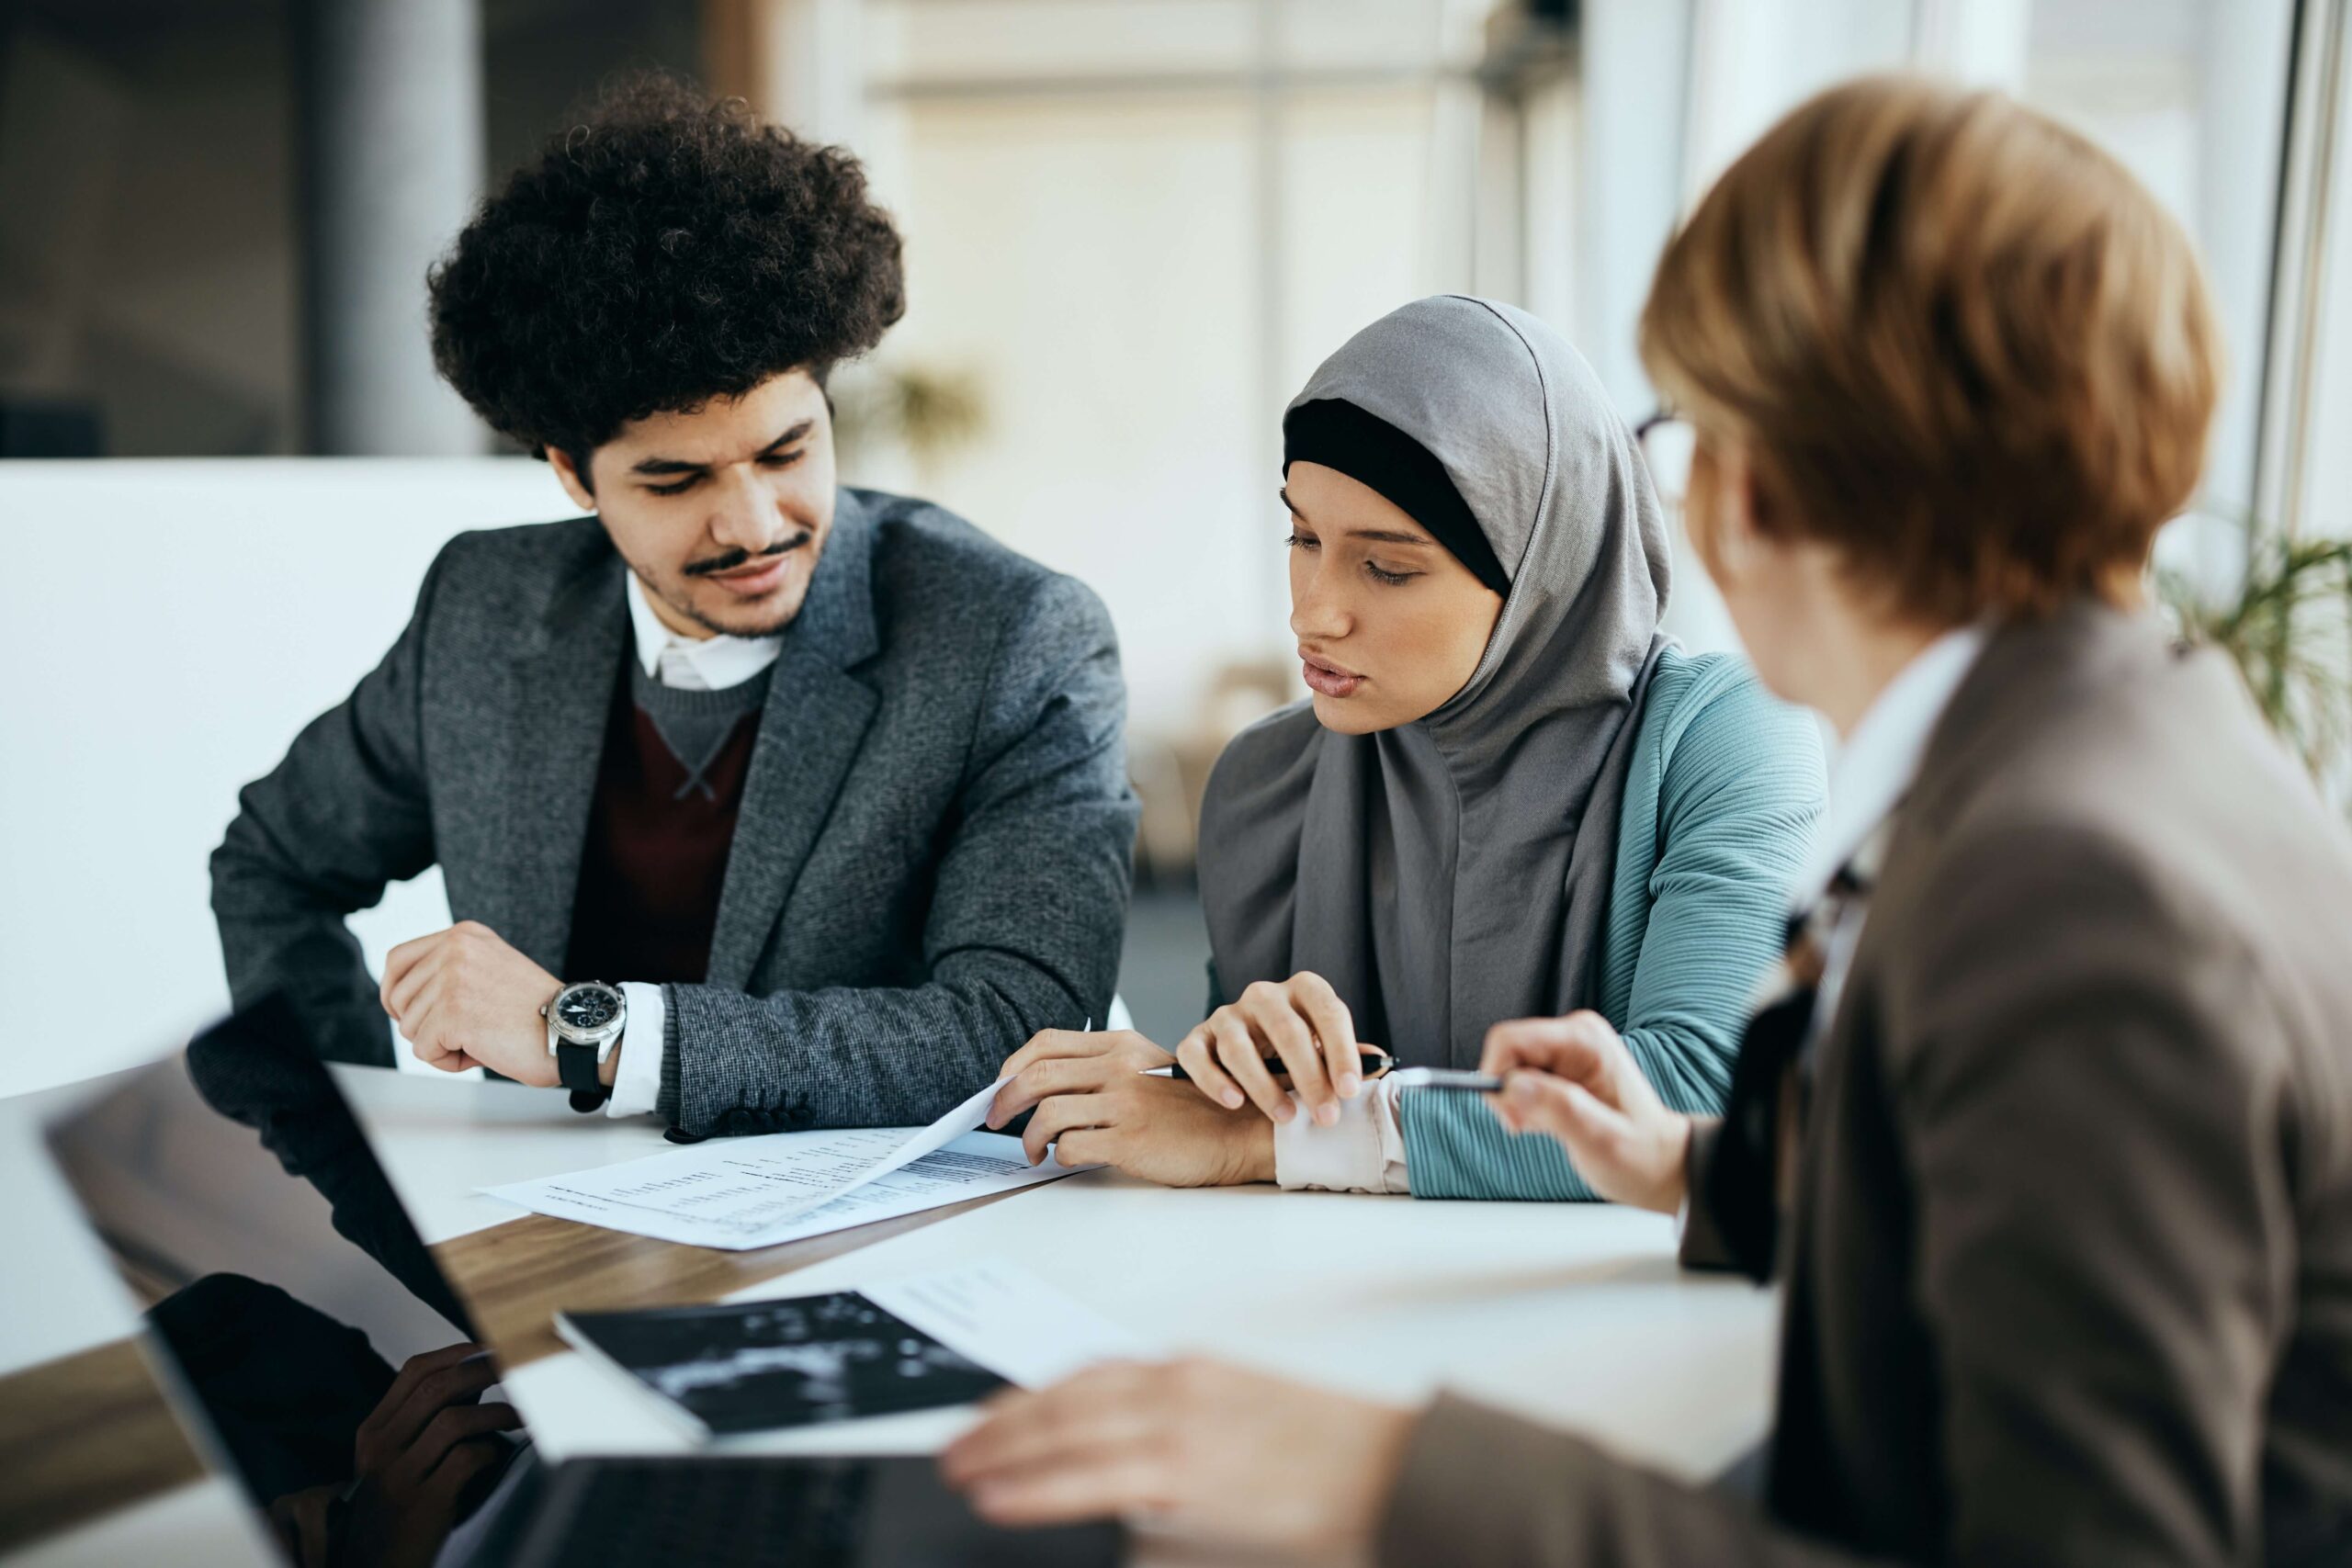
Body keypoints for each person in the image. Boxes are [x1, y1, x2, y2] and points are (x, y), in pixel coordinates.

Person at [939, 76, 2352, 1565]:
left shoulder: (2066, 887)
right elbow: (2000, 1177)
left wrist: (1398, 1480)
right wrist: (1693, 1163)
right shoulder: (2130, 741)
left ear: (1753, 483)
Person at [209, 74, 1137, 1138]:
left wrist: (590, 1035)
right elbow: (273, 862)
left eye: (787, 450)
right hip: (536, 1236)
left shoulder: (1011, 640)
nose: (751, 524)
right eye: (674, 481)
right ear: (571, 474)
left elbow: (1019, 1032)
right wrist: (346, 1133)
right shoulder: (485, 607)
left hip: (866, 1242)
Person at [984, 295, 1823, 1198]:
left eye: (1387, 567)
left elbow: (1704, 1102)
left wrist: (1294, 1139)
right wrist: (1204, 1081)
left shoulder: (1726, 741)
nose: (1312, 611)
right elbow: (1238, 1136)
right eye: (1302, 536)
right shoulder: (1269, 786)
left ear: (1540, 570)